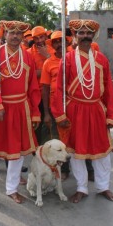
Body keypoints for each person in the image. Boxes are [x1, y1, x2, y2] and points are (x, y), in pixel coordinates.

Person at [0, 20, 41, 208]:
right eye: (11, 33)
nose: (15, 37)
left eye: (19, 34)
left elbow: (33, 88)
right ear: (4, 35)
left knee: (17, 153)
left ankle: (12, 189)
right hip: (0, 109)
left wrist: (35, 112)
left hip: (21, 108)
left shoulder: (27, 57)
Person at [52, 19, 113, 203]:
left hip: (96, 110)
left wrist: (111, 115)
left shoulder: (101, 59)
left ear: (93, 36)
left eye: (89, 33)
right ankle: (81, 188)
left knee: (102, 151)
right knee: (77, 152)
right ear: (75, 36)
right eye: (81, 33)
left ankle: (103, 186)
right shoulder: (67, 59)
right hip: (75, 110)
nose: (85, 36)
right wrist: (60, 114)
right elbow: (59, 89)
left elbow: (108, 90)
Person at [40, 30, 70, 179]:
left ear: (68, 42)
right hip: (55, 107)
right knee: (59, 139)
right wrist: (46, 113)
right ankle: (62, 170)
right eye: (55, 42)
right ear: (52, 45)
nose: (59, 44)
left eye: (61, 41)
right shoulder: (48, 63)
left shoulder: (73, 59)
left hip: (73, 105)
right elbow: (44, 88)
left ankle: (87, 168)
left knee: (76, 137)